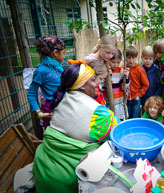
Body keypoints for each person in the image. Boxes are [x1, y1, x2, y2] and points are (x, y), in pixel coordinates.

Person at [32, 60, 120, 193]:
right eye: (93, 80)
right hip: (64, 181)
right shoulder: (98, 114)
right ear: (82, 86)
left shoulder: (62, 99)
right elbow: (119, 133)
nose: (98, 83)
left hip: (43, 169)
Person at [27, 35, 66, 128]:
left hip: (64, 105)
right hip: (53, 109)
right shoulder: (41, 71)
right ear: (56, 53)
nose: (64, 56)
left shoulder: (58, 67)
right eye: (64, 53)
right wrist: (39, 113)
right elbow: (31, 94)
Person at [82, 34, 118, 106]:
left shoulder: (104, 60)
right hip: (89, 96)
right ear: (99, 47)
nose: (110, 56)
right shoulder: (89, 60)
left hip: (98, 92)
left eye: (112, 54)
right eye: (107, 52)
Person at [102, 49, 130, 120]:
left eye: (118, 62)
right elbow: (101, 87)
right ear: (108, 60)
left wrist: (126, 78)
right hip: (108, 103)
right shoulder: (105, 71)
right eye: (113, 62)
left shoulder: (121, 71)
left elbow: (124, 88)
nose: (116, 64)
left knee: (119, 120)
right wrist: (107, 81)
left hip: (119, 103)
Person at [126, 46, 149, 118]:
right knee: (127, 117)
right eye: (129, 57)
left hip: (136, 99)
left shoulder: (140, 69)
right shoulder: (123, 69)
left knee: (135, 117)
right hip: (125, 99)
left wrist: (139, 94)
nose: (131, 60)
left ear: (136, 57)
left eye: (133, 58)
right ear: (125, 57)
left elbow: (146, 84)